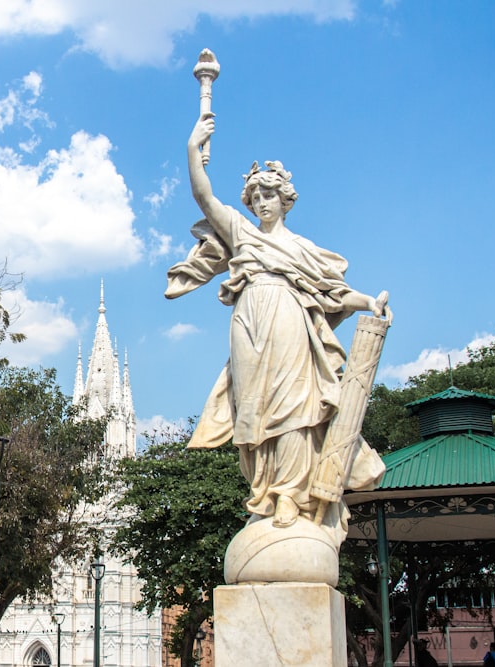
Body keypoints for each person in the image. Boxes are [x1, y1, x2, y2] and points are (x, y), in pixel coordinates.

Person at [165, 112, 389, 536]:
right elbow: (204, 197)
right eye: (256, 197)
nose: (262, 202)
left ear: (285, 199)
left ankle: (289, 493)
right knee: (252, 414)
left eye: (270, 195)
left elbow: (333, 291)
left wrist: (368, 302)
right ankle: (264, 492)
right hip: (248, 325)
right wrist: (193, 149)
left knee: (293, 407)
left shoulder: (302, 248)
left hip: (289, 321)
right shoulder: (242, 235)